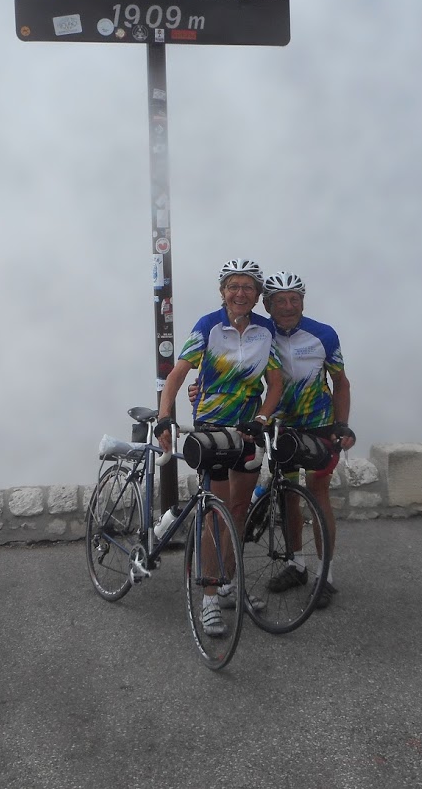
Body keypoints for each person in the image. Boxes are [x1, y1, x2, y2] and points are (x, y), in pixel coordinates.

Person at [156, 258, 284, 636]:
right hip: (213, 427)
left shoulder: (266, 331)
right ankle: (210, 596)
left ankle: (230, 583)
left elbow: (275, 384)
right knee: (215, 511)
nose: (240, 293)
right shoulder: (208, 326)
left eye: (248, 287)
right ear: (223, 292)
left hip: (247, 429)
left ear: (258, 296)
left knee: (239, 510)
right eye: (233, 286)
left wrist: (261, 419)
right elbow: (177, 374)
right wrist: (166, 416)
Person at [256, 271, 355, 609]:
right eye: (280, 301)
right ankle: (295, 564)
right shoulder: (260, 334)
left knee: (318, 495)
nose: (288, 306)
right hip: (281, 428)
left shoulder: (323, 334)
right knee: (286, 495)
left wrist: (341, 425)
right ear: (267, 305)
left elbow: (341, 383)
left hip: (319, 426)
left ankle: (325, 575)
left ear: (302, 301)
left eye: (294, 299)